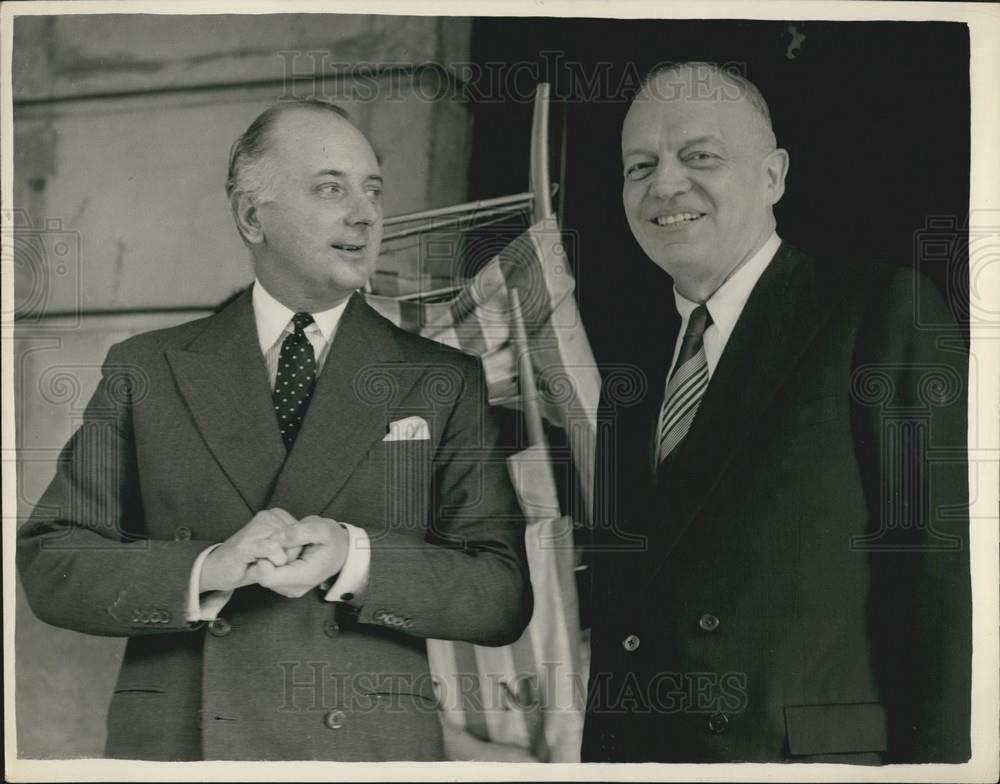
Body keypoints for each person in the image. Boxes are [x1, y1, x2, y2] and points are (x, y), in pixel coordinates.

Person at [17, 99, 532, 761]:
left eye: (372, 189)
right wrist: (207, 567)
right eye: (330, 188)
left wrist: (356, 557)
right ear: (251, 215)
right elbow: (51, 562)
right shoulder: (146, 368)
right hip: (187, 748)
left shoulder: (442, 378)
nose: (365, 213)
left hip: (363, 756)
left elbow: (502, 593)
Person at [581, 62, 970, 763]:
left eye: (699, 156)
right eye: (639, 166)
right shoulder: (632, 364)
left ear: (773, 177)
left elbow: (946, 584)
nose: (664, 184)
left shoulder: (879, 314)